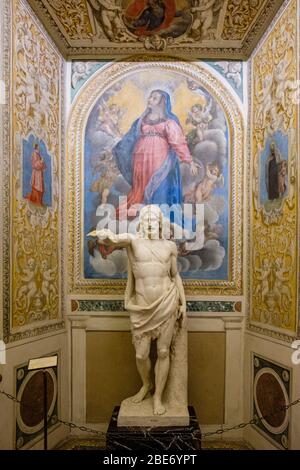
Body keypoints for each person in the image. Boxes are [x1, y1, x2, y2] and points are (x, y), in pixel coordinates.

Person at [88, 205, 187, 416]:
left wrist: (183, 303)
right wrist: (107, 236)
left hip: (166, 302)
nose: (151, 222)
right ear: (142, 223)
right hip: (141, 307)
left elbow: (175, 275)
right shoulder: (133, 242)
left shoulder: (169, 246)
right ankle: (146, 385)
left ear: (159, 223)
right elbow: (114, 240)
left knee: (162, 351)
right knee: (141, 355)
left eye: (154, 219)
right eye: (147, 218)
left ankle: (158, 397)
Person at [113, 89, 198, 219]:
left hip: (160, 160)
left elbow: (178, 142)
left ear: (162, 102)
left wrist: (189, 160)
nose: (150, 99)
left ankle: (158, 218)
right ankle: (142, 216)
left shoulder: (169, 121)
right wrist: (119, 147)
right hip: (140, 159)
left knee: (159, 186)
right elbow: (130, 138)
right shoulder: (141, 120)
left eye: (154, 98)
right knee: (141, 187)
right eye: (150, 97)